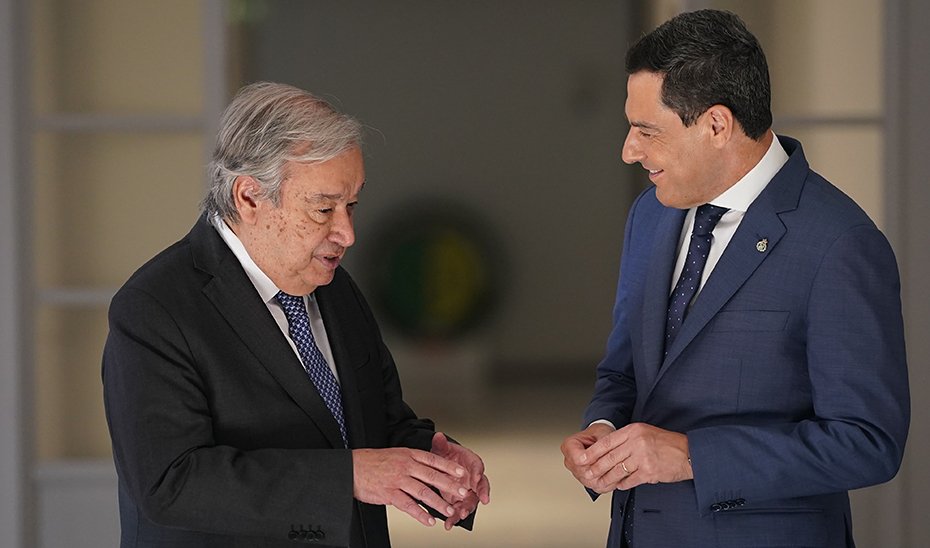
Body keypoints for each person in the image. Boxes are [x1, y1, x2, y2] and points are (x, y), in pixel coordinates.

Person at [560, 9, 909, 548]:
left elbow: (867, 443)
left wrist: (692, 458)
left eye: (646, 130)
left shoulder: (841, 243)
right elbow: (624, 370)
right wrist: (604, 431)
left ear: (717, 125)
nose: (628, 151)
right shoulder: (649, 215)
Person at [103, 81, 490, 548]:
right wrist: (348, 476)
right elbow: (170, 483)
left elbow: (371, 423)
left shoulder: (335, 287)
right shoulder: (154, 308)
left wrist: (431, 462)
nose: (347, 233)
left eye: (351, 205)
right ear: (249, 197)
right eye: (323, 208)